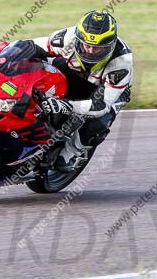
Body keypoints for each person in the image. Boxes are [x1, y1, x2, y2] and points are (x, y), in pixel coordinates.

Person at [28, 10, 133, 172]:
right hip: (74, 71)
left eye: (98, 49)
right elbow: (29, 46)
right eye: (87, 46)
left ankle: (71, 152)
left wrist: (66, 106)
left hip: (104, 88)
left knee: (101, 120)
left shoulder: (121, 63)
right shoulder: (66, 37)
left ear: (110, 47)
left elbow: (100, 106)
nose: (90, 52)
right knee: (39, 67)